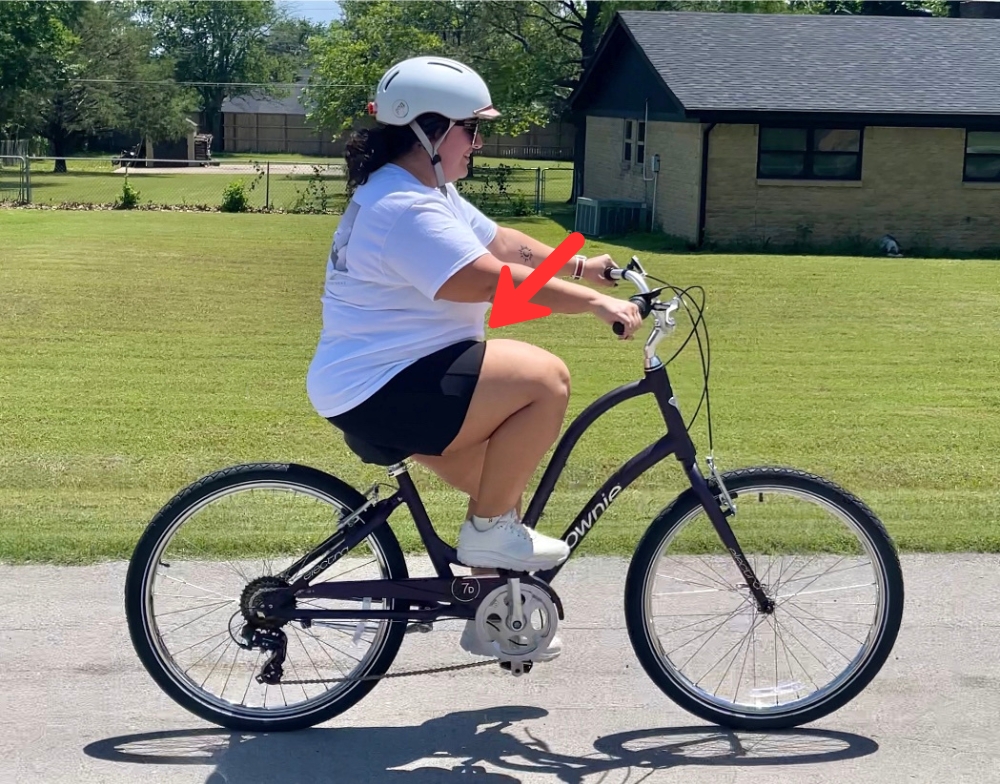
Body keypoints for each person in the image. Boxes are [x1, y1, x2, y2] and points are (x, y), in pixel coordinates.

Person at [306, 56, 642, 660]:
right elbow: (492, 280)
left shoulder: (423, 191)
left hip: (387, 381)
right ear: (427, 131)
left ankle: (493, 617)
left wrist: (580, 265)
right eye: (471, 128)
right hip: (388, 387)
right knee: (546, 378)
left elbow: (503, 243)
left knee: (501, 484)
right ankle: (488, 538)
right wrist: (593, 304)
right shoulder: (405, 211)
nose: (479, 142)